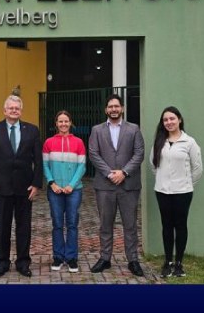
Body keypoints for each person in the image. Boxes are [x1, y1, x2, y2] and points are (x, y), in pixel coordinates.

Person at [0, 95, 43, 277]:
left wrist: (36, 184)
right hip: (1, 189)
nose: (14, 110)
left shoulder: (32, 130)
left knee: (24, 227)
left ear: (21, 111)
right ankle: (2, 263)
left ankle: (23, 262)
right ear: (5, 110)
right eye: (11, 108)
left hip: (25, 189)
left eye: (17, 108)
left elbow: (38, 160)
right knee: (2, 227)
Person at [88, 94, 146, 276]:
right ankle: (105, 258)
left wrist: (124, 172)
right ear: (106, 110)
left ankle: (133, 260)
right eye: (110, 106)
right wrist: (109, 173)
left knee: (130, 225)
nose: (113, 109)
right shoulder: (96, 130)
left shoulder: (133, 129)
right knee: (105, 224)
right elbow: (93, 154)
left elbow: (139, 153)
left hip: (129, 185)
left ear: (122, 108)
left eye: (117, 106)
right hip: (105, 185)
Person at [150, 106, 203, 277]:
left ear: (179, 119)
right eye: (165, 120)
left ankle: (179, 263)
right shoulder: (159, 141)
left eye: (172, 118)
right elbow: (153, 165)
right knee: (167, 226)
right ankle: (168, 262)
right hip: (162, 191)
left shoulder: (189, 142)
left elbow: (197, 168)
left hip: (183, 192)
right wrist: (163, 180)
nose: (169, 122)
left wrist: (186, 183)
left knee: (180, 226)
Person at [42, 110, 86, 273]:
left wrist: (72, 185)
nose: (63, 124)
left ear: (70, 122)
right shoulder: (48, 142)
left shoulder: (79, 142)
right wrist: (52, 183)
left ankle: (72, 257)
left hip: (74, 190)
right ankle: (58, 256)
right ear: (56, 124)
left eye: (66, 121)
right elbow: (45, 165)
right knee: (57, 224)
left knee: (72, 224)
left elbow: (82, 166)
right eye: (60, 121)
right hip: (55, 190)